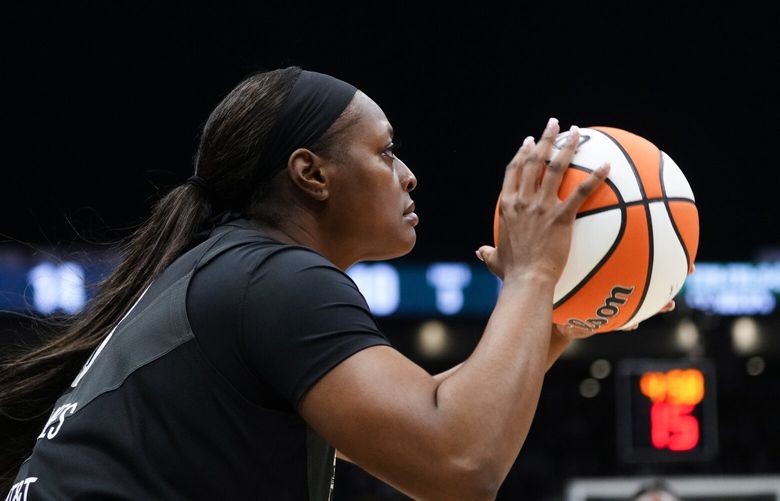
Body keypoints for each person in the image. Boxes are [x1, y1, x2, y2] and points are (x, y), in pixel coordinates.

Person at [0, 66, 672, 500]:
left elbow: (436, 423)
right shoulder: (272, 276)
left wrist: (548, 322)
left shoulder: (234, 274)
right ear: (311, 174)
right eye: (384, 151)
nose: (408, 174)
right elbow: (458, 462)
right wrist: (532, 274)